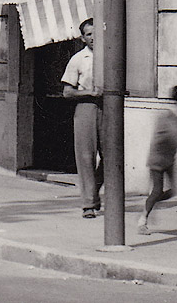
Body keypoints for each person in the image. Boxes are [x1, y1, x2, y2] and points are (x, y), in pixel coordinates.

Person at [137, 85, 177, 235]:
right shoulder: (168, 117)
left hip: (169, 158)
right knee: (157, 191)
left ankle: (149, 206)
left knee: (173, 191)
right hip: (157, 158)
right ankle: (142, 221)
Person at [61, 18, 102, 218]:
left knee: (112, 157)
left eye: (96, 33)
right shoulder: (78, 59)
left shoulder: (110, 55)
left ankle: (93, 193)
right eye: (89, 34)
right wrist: (89, 93)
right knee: (86, 157)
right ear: (83, 38)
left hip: (108, 109)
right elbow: (67, 92)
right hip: (86, 108)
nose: (93, 38)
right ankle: (88, 204)